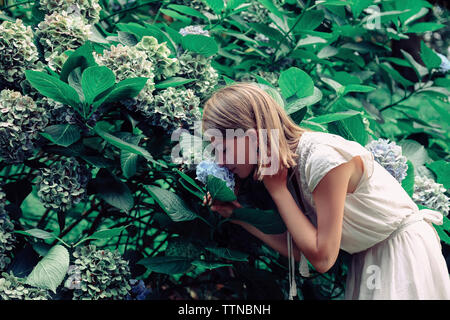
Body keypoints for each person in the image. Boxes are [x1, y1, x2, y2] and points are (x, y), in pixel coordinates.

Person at [201, 81, 450, 300]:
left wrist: (278, 191)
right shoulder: (288, 169)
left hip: (402, 254)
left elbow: (322, 259)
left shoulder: (322, 160)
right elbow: (304, 251)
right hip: (371, 258)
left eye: (223, 148)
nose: (221, 161)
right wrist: (237, 215)